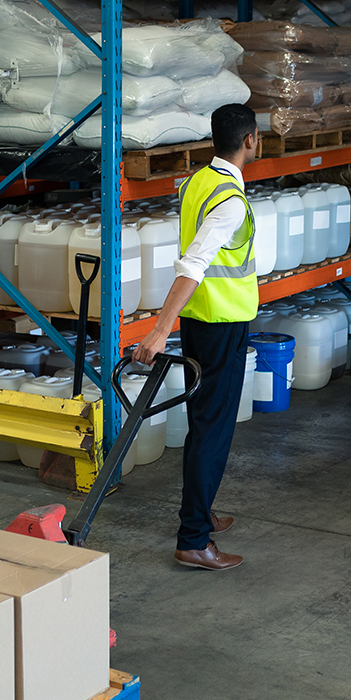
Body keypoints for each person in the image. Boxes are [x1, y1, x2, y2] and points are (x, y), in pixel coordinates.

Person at [132, 103, 259, 572]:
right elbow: (194, 265)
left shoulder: (199, 182)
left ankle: (199, 516)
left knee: (204, 421)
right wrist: (160, 329)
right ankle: (193, 539)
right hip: (220, 324)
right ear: (251, 140)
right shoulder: (229, 200)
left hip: (202, 322)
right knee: (213, 429)